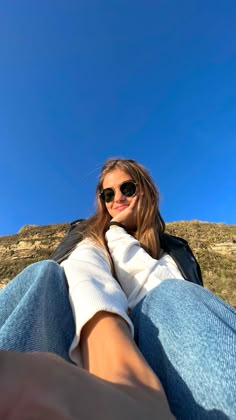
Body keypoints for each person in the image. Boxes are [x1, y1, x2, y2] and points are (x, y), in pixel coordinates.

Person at [0, 158, 235, 419]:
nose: (118, 199)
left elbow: (161, 295)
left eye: (128, 189)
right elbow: (83, 269)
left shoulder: (174, 249)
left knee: (175, 293)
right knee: (43, 273)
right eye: (108, 194)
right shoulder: (88, 234)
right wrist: (117, 366)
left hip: (168, 348)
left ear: (144, 190)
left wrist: (118, 233)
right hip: (75, 337)